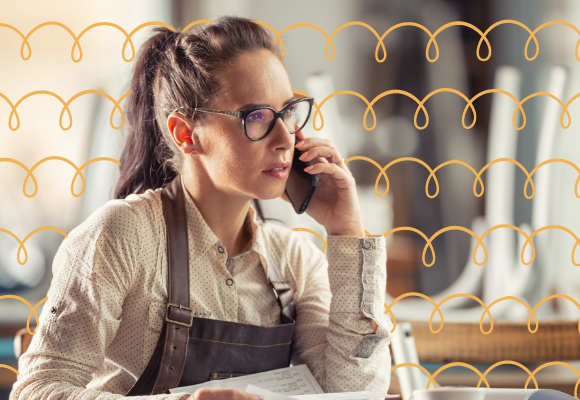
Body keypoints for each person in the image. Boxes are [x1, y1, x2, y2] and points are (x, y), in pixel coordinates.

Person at [11, 16, 392, 400]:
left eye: (288, 112)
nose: (284, 139)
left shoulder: (293, 260)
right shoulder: (122, 236)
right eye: (256, 117)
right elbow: (36, 391)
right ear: (185, 134)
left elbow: (356, 391)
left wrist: (347, 231)